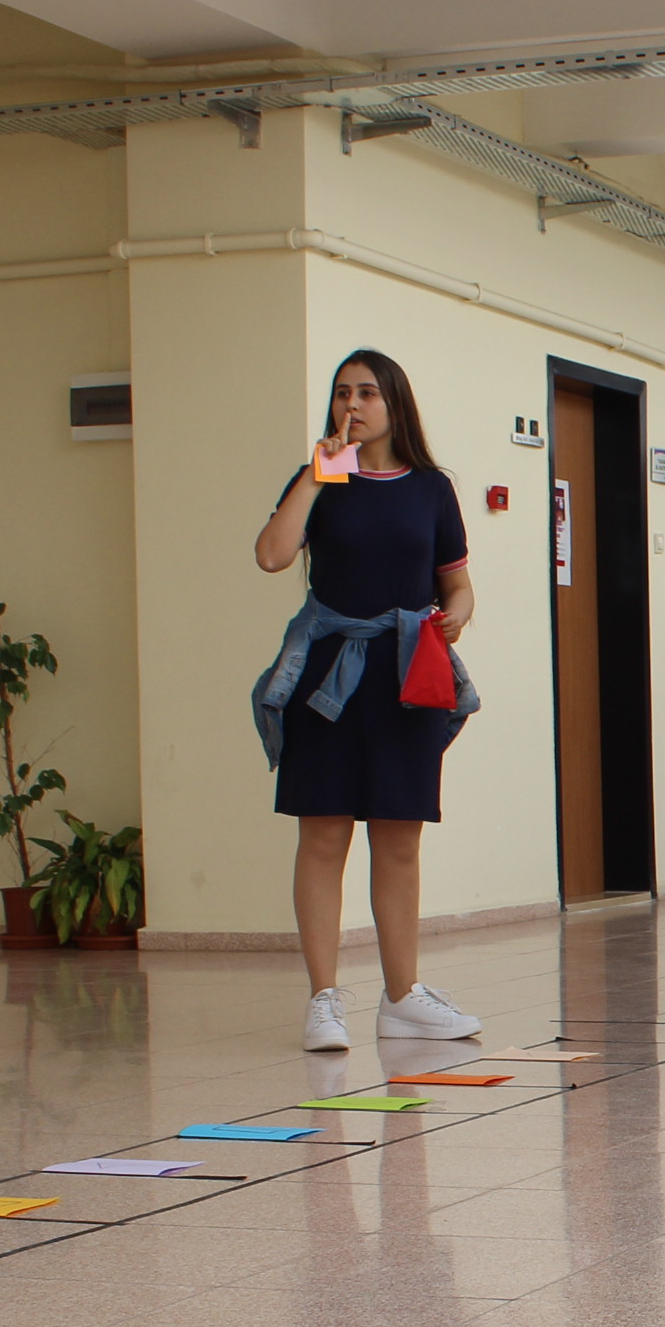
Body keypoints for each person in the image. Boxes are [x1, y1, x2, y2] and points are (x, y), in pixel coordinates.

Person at [252, 349, 486, 1052]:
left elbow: (458, 583)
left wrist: (460, 614)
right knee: (323, 834)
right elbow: (271, 554)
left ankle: (403, 994)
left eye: (367, 393)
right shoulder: (321, 478)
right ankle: (324, 999)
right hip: (328, 671)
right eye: (341, 392)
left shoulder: (431, 488)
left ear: (394, 405)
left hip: (408, 669)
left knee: (398, 836)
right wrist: (318, 474)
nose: (352, 404)